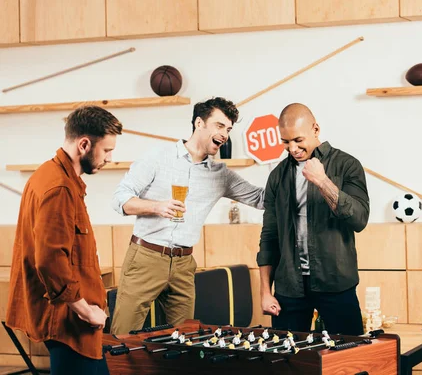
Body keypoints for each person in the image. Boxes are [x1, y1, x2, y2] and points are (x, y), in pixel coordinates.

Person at [110, 97, 264, 334]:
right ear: (199, 123)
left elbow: (261, 199)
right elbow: (120, 199)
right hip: (146, 257)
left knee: (185, 340)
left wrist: (294, 173)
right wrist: (156, 207)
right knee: (122, 337)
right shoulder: (158, 157)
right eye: (220, 126)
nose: (224, 134)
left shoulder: (220, 175)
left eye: (229, 129)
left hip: (184, 265)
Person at [6, 106, 123, 374]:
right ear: (84, 144)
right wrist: (86, 311)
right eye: (106, 150)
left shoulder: (50, 175)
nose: (110, 158)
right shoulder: (58, 187)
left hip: (70, 320)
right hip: (68, 323)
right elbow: (49, 261)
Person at [257, 103, 369, 336]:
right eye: (286, 142)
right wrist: (265, 291)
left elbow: (359, 219)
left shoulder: (347, 165)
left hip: (336, 282)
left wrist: (322, 181)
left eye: (298, 140)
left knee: (350, 360)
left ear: (315, 130)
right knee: (286, 363)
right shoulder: (277, 176)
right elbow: (269, 236)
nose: (293, 148)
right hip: (289, 287)